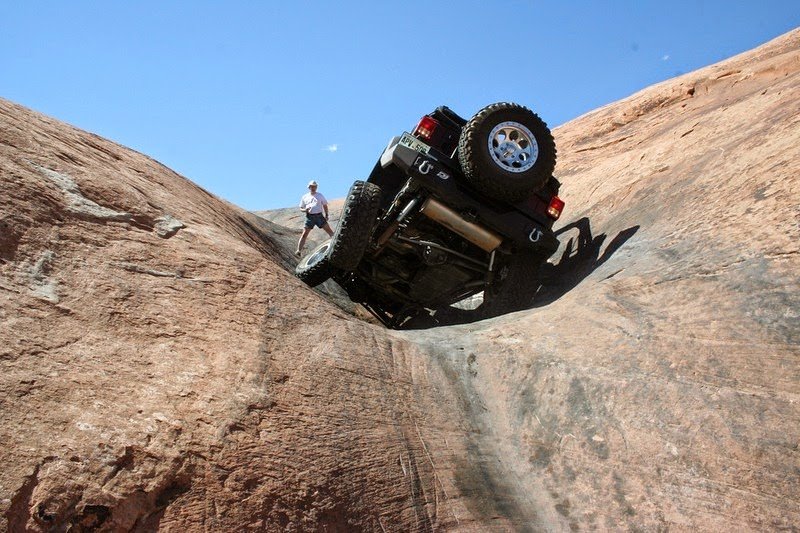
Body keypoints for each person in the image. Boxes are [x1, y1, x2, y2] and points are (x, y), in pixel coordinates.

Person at [295, 180, 334, 256]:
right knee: (304, 234)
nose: (313, 188)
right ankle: (298, 250)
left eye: (315, 186)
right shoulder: (305, 197)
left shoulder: (320, 195)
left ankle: (335, 244)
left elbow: (325, 205)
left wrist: (326, 215)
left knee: (329, 231)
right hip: (310, 217)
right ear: (309, 187)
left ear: (316, 187)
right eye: (312, 186)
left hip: (319, 216)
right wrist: (305, 210)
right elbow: (301, 208)